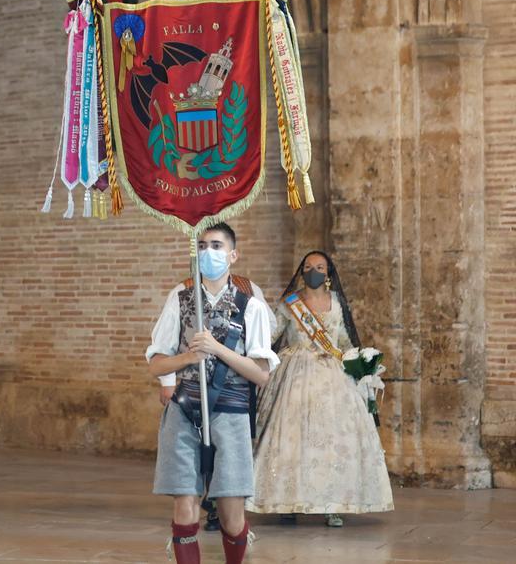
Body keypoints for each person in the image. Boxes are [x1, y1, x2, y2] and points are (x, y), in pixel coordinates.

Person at [146, 223, 278, 564]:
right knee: (185, 507)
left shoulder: (252, 307)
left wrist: (218, 348)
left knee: (231, 514)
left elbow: (261, 374)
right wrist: (188, 356)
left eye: (217, 246)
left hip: (231, 413)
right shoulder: (180, 298)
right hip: (184, 409)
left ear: (233, 254)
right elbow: (156, 364)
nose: (209, 252)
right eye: (202, 245)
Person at [247, 251, 393, 525]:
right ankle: (285, 501)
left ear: (328, 274)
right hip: (294, 376)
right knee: (290, 438)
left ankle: (332, 503)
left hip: (333, 376)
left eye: (319, 267)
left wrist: (361, 364)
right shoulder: (290, 304)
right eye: (308, 266)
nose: (313, 270)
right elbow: (270, 337)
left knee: (334, 442)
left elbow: (345, 341)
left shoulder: (336, 303)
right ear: (301, 271)